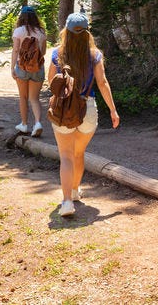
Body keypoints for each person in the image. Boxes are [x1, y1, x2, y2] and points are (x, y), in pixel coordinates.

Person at [47, 12, 119, 217]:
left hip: (64, 111)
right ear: (87, 32)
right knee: (78, 154)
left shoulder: (57, 54)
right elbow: (102, 83)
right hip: (88, 109)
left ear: (66, 32)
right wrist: (113, 110)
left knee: (66, 156)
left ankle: (67, 202)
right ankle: (76, 191)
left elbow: (50, 81)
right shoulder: (95, 55)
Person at [11, 5, 47, 137]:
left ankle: (24, 125)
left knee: (23, 97)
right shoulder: (42, 32)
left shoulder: (18, 31)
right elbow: (43, 52)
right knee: (34, 98)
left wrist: (12, 68)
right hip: (37, 68)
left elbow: (15, 50)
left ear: (21, 17)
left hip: (22, 67)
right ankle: (37, 123)